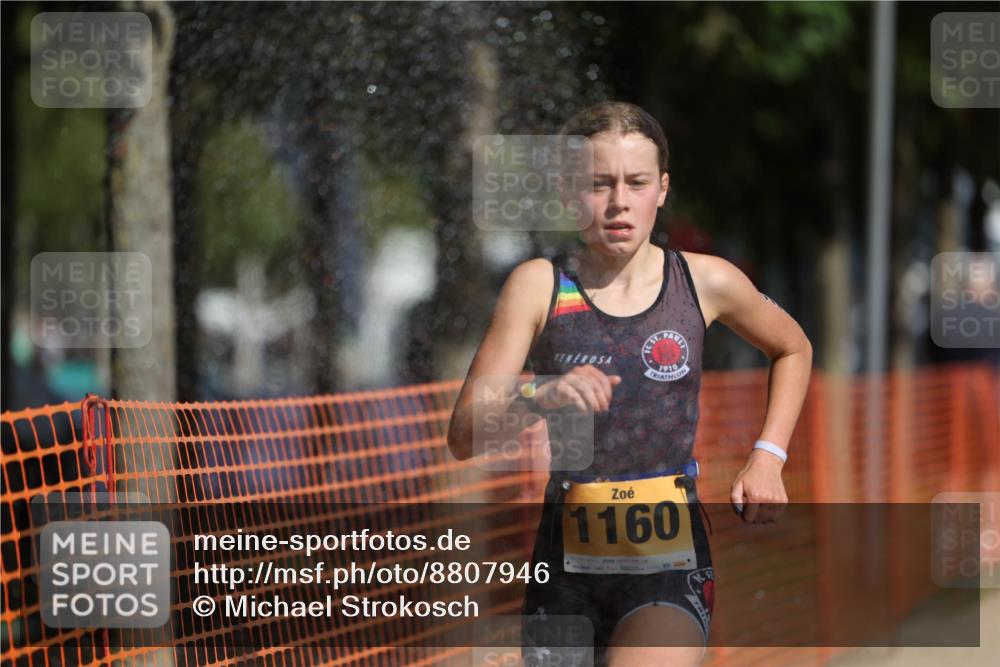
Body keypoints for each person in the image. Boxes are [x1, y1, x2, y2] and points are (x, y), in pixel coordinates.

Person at [447, 101, 812, 666]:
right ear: (571, 193)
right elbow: (464, 434)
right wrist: (538, 397)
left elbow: (793, 347)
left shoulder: (704, 280)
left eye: (636, 182)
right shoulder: (538, 286)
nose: (619, 201)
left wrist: (768, 456)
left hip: (669, 567)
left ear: (661, 189)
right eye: (599, 183)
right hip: (564, 569)